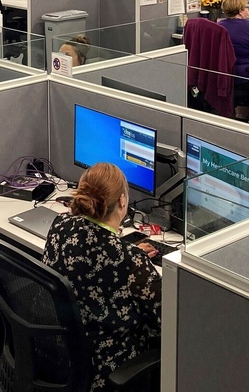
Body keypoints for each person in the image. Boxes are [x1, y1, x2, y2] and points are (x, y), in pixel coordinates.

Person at [43, 163, 161, 390]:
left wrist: (127, 248)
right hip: (106, 365)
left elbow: (93, 249)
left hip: (60, 351)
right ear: (123, 202)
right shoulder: (130, 261)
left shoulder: (60, 225)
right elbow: (166, 318)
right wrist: (132, 253)